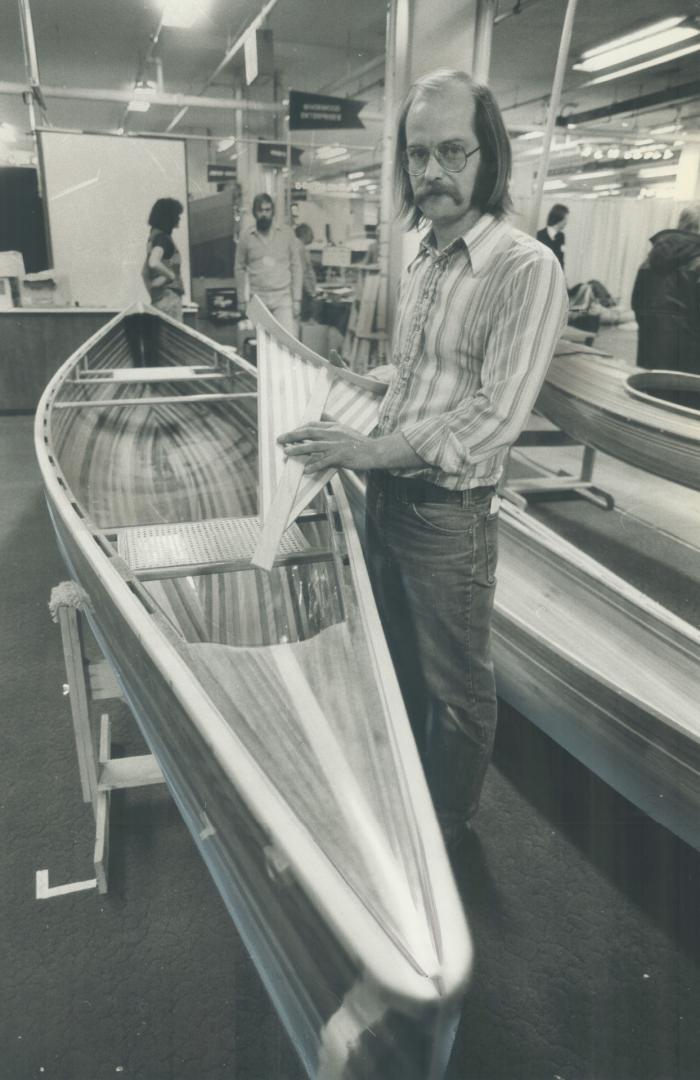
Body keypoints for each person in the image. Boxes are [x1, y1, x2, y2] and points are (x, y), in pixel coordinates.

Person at [278, 68, 568, 849]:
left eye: (452, 152)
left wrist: (366, 448)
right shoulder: (427, 258)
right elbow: (417, 378)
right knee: (396, 657)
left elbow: (493, 416)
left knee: (457, 686)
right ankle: (405, 793)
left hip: (448, 517)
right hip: (390, 500)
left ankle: (448, 824)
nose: (432, 173)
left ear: (489, 157)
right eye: (417, 155)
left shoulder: (524, 268)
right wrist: (348, 380)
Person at [631, 205, 700, 372]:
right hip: (688, 358)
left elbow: (636, 301)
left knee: (648, 395)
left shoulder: (650, 259)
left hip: (649, 350)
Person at [235, 194, 302, 334]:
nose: (264, 214)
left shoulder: (287, 233)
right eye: (260, 210)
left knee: (287, 343)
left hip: (283, 298)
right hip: (258, 299)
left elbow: (296, 266)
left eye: (267, 210)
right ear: (254, 212)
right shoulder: (246, 236)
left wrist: (297, 299)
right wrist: (241, 299)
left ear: (273, 212)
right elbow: (239, 268)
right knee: (262, 345)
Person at [142, 197, 185, 321]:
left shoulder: (153, 238)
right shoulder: (164, 240)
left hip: (158, 300)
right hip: (169, 300)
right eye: (177, 215)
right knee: (172, 339)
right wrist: (171, 275)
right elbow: (153, 262)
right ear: (169, 217)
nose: (179, 218)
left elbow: (143, 272)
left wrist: (152, 289)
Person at [295, 222, 317, 322]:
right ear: (304, 234)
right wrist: (310, 291)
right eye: (310, 234)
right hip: (303, 291)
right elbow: (302, 272)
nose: (312, 237)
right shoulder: (299, 247)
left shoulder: (298, 246)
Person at [537, 203, 568, 270]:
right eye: (565, 219)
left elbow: (561, 259)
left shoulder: (561, 236)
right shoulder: (540, 235)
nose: (566, 222)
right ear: (559, 218)